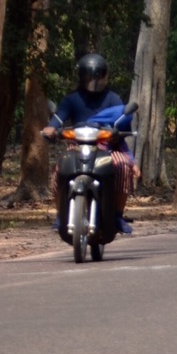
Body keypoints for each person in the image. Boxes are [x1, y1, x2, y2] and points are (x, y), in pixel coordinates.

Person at [45, 52, 137, 235]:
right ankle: (61, 214)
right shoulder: (72, 99)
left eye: (98, 76)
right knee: (59, 169)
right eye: (89, 75)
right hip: (76, 146)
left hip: (107, 149)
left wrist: (117, 132)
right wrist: (51, 129)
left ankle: (117, 214)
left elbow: (122, 121)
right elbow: (57, 119)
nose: (94, 80)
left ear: (104, 76)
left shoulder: (113, 98)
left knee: (123, 166)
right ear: (81, 76)